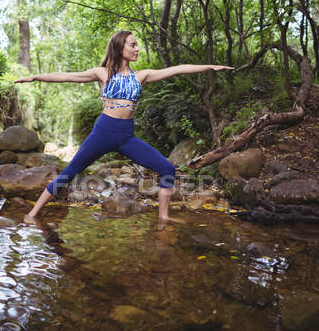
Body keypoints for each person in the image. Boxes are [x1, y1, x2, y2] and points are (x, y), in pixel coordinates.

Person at [14, 30, 233, 224]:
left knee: (167, 169)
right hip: (102, 133)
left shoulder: (142, 76)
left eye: (137, 44)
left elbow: (177, 69)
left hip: (126, 136)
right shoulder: (103, 73)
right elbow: (66, 77)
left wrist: (209, 67)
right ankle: (32, 215)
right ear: (120, 48)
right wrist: (36, 77)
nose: (137, 49)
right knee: (70, 172)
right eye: (133, 44)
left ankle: (164, 217)